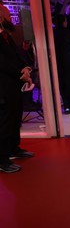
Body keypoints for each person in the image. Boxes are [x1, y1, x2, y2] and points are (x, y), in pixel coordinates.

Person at [0, 12, 35, 173]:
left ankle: (14, 148)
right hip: (3, 85)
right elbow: (2, 62)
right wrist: (20, 73)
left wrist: (25, 68)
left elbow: (15, 54)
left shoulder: (5, 32)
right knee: (4, 122)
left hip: (13, 84)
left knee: (15, 117)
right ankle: (2, 159)